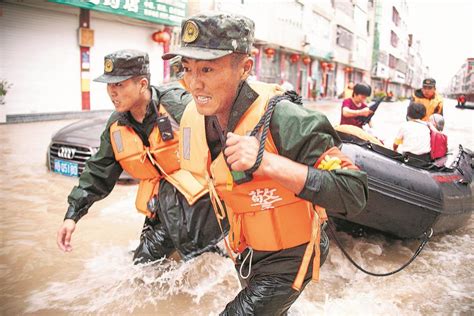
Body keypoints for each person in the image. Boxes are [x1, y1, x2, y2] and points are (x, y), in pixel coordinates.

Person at [163, 12, 368, 315]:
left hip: (292, 254)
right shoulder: (194, 111)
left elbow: (354, 191)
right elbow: (167, 92)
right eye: (187, 68)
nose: (194, 83)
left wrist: (265, 161)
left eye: (207, 69)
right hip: (247, 248)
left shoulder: (284, 118)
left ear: (245, 67)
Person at [56, 49, 226, 263]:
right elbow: (99, 172)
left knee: (143, 267)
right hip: (162, 207)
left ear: (143, 84)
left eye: (119, 84)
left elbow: (222, 139)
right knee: (176, 264)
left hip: (200, 203)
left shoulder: (177, 105)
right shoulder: (116, 126)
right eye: (109, 85)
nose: (112, 92)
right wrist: (72, 216)